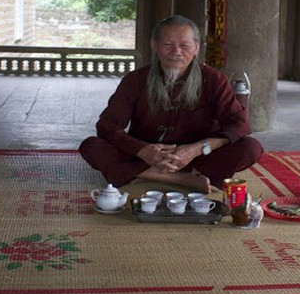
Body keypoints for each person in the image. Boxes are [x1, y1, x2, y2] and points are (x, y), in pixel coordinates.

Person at [79, 15, 263, 194]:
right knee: (92, 146)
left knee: (250, 148)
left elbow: (238, 124)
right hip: (145, 155)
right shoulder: (135, 80)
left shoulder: (214, 80)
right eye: (168, 45)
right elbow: (107, 126)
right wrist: (143, 150)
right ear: (155, 45)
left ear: (196, 48)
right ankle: (184, 179)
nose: (176, 52)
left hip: (197, 156)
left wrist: (196, 149)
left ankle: (145, 176)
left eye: (184, 46)